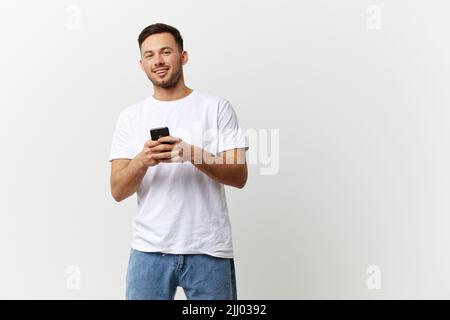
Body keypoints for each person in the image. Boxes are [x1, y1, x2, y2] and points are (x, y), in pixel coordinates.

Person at [108, 22, 249, 300]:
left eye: (165, 52)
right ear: (141, 64)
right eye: (149, 55)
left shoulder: (216, 107)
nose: (158, 61)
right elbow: (117, 190)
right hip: (149, 250)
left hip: (208, 250)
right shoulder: (130, 117)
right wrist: (143, 160)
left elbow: (239, 176)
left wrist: (192, 155)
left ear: (183, 57)